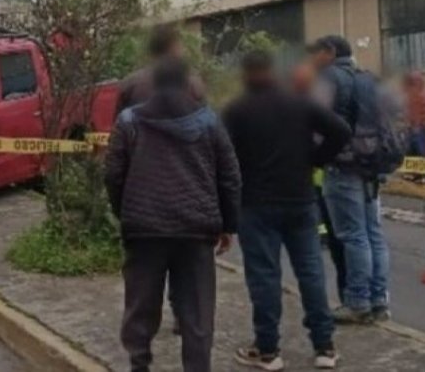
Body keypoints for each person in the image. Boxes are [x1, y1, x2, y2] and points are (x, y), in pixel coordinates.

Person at [105, 57, 241, 372]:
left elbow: (112, 175)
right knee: (196, 313)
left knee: (140, 307)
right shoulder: (208, 120)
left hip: (144, 231)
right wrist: (228, 225)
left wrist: (124, 212)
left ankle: (139, 365)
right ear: (186, 83)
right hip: (196, 231)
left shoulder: (128, 122)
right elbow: (230, 175)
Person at [224, 50, 352, 370]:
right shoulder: (300, 103)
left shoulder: (236, 110)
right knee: (311, 272)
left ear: (246, 75)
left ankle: (268, 350)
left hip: (255, 204)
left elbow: (222, 156)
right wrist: (316, 158)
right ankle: (325, 347)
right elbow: (341, 131)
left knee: (265, 277)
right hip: (300, 200)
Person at [308, 35, 392, 324]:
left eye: (315, 53)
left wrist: (313, 155)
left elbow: (313, 121)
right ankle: (379, 300)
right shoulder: (369, 78)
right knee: (373, 234)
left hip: (341, 165)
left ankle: (357, 301)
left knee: (352, 235)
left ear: (329, 52)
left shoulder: (328, 78)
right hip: (371, 165)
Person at [292, 60, 347, 300]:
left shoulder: (308, 104)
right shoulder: (315, 103)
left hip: (314, 177)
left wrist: (315, 158)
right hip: (319, 174)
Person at [402, 71, 425, 157]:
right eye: (414, 80)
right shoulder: (408, 94)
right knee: (410, 152)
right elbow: (405, 109)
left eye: (418, 80)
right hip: (411, 127)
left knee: (423, 151)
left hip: (424, 127)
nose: (416, 82)